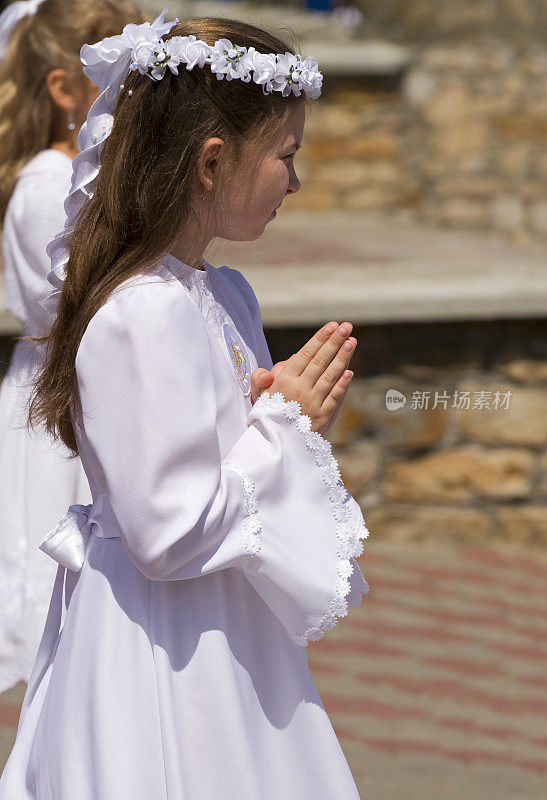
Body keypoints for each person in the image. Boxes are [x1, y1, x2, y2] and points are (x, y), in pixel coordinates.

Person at [0, 11, 370, 799]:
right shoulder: (141, 311)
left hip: (221, 617)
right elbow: (165, 529)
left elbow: (226, 451)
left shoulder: (222, 291)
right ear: (209, 163)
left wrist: (282, 413)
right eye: (285, 155)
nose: (295, 182)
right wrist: (286, 424)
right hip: (162, 637)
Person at [0, 0, 144, 693]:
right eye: (123, 82)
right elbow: (83, 300)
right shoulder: (47, 187)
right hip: (61, 404)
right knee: (55, 592)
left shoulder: (97, 179)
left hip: (100, 393)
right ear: (65, 90)